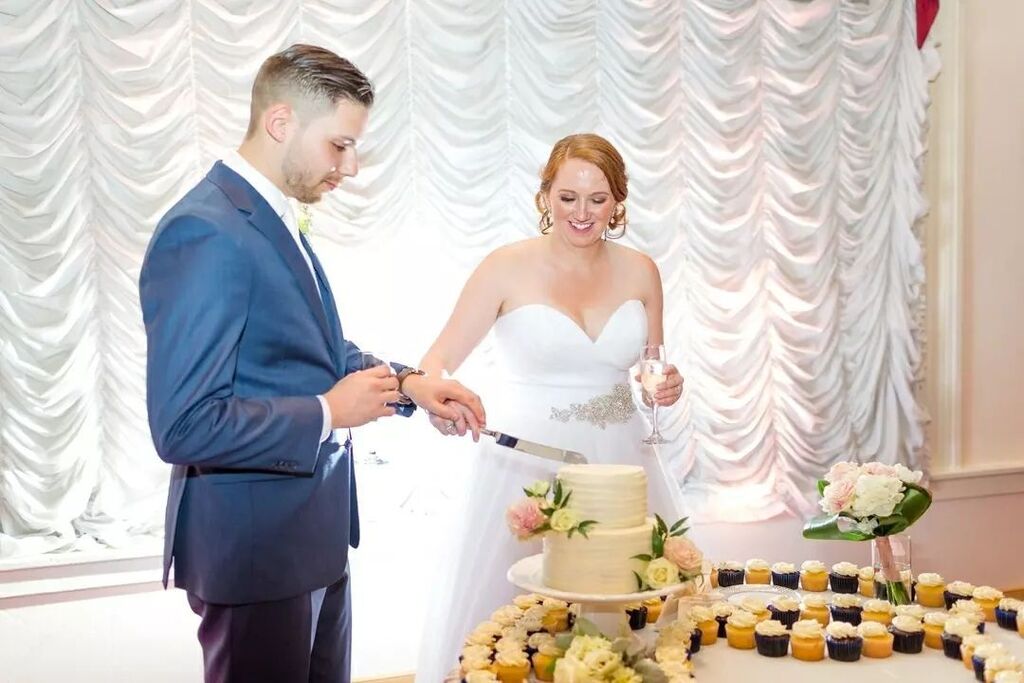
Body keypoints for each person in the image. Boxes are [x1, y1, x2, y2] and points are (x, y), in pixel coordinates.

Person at [139, 44, 483, 683]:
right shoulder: (207, 230)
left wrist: (411, 384)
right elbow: (183, 424)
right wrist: (329, 412)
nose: (350, 168)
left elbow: (316, 351)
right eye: (339, 146)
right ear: (280, 124)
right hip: (256, 557)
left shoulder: (269, 219)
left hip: (312, 543)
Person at [414, 133, 685, 680]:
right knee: (517, 632)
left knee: (633, 624)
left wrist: (667, 384)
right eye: (567, 198)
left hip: (623, 461)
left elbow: (652, 365)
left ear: (618, 201)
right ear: (544, 198)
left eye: (597, 199)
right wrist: (439, 400)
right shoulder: (503, 267)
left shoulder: (642, 270)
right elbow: (436, 362)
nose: (581, 213)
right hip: (526, 463)